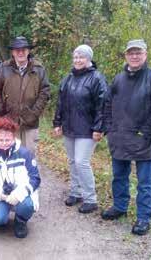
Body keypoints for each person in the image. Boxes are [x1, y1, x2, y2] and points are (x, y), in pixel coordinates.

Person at [102, 39, 151, 235]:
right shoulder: (118, 79)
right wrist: (110, 128)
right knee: (119, 177)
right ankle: (120, 207)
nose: (134, 56)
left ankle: (143, 218)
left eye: (138, 52)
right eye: (131, 53)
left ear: (145, 54)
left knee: (145, 183)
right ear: (126, 55)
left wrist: (145, 133)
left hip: (144, 141)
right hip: (119, 138)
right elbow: (107, 104)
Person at [53, 45, 107, 214]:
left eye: (81, 57)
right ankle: (75, 192)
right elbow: (60, 103)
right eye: (75, 57)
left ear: (89, 59)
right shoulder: (68, 78)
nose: (78, 60)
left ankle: (90, 199)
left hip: (88, 129)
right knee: (72, 161)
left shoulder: (97, 78)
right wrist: (57, 123)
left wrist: (99, 128)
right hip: (69, 127)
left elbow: (103, 105)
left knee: (81, 162)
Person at [0, 117, 40, 238]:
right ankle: (2, 215)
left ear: (14, 137)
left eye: (8, 140)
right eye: (1, 140)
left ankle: (20, 221)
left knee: (27, 205)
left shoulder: (25, 154)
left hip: (19, 195)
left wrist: (19, 194)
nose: (4, 143)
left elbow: (35, 179)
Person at [0, 36, 50, 156]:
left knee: (29, 156)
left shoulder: (39, 69)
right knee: (10, 154)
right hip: (9, 120)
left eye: (23, 49)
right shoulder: (3, 68)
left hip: (30, 122)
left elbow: (44, 92)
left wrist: (34, 113)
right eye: (17, 50)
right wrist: (1, 109)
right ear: (12, 52)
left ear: (28, 51)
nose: (20, 52)